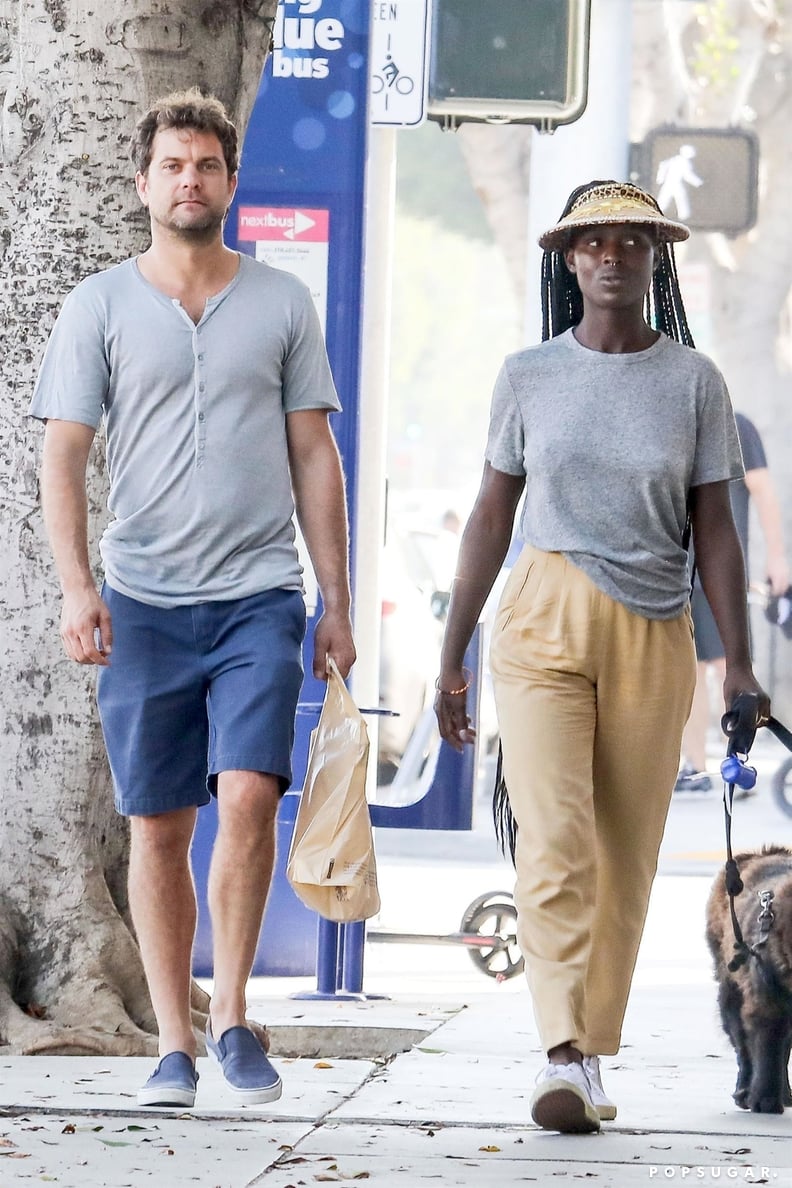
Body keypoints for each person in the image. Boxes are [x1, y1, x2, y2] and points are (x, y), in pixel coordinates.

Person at [29, 90, 356, 1110]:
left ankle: (238, 1017)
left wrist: (337, 600)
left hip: (260, 593)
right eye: (173, 165)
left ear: (228, 181)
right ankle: (174, 1041)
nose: (190, 180)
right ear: (144, 183)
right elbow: (64, 455)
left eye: (207, 165)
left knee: (251, 795)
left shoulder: (281, 303)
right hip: (143, 603)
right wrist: (79, 587)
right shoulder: (100, 307)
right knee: (158, 826)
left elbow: (316, 454)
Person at [433, 180, 769, 1135]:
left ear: (657, 256)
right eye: (593, 242)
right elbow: (491, 512)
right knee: (554, 839)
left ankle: (591, 1046)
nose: (612, 255)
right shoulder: (528, 375)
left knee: (624, 854)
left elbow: (717, 527)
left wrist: (735, 660)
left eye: (632, 240)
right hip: (539, 616)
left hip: (653, 627)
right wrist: (452, 649)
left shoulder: (695, 381)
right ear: (568, 260)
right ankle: (561, 1055)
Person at [675, 412, 788, 791]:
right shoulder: (672, 423)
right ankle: (698, 768)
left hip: (720, 570)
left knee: (731, 670)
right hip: (675, 572)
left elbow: (764, 491)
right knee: (687, 673)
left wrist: (776, 558)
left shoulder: (736, 425)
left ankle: (737, 766)